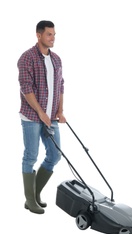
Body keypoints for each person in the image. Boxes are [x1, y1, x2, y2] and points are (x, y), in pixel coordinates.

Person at [17, 20, 66, 214]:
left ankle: (35, 194)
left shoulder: (56, 60)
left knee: (55, 155)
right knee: (31, 156)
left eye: (54, 34)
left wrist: (60, 111)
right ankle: (30, 200)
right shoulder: (27, 58)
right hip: (32, 116)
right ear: (38, 35)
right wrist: (40, 112)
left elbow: (61, 86)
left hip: (51, 116)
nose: (53, 38)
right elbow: (26, 88)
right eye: (49, 34)